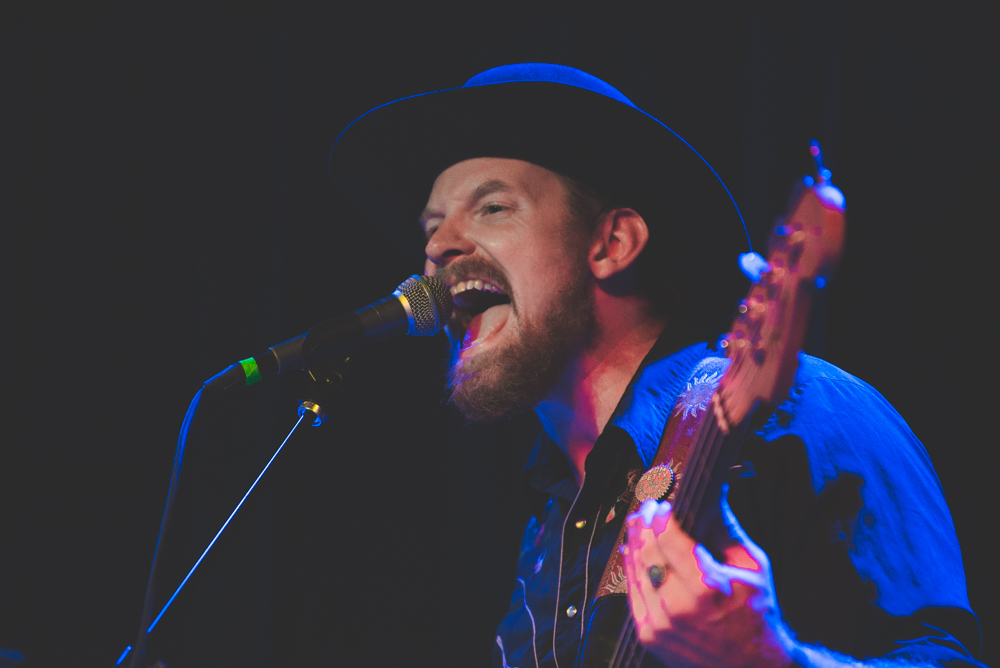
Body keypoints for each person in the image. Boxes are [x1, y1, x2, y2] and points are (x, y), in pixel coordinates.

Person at [327, 64, 984, 667]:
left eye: (492, 207)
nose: (438, 247)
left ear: (612, 243)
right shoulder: (550, 524)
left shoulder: (807, 413)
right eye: (431, 229)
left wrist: (766, 657)